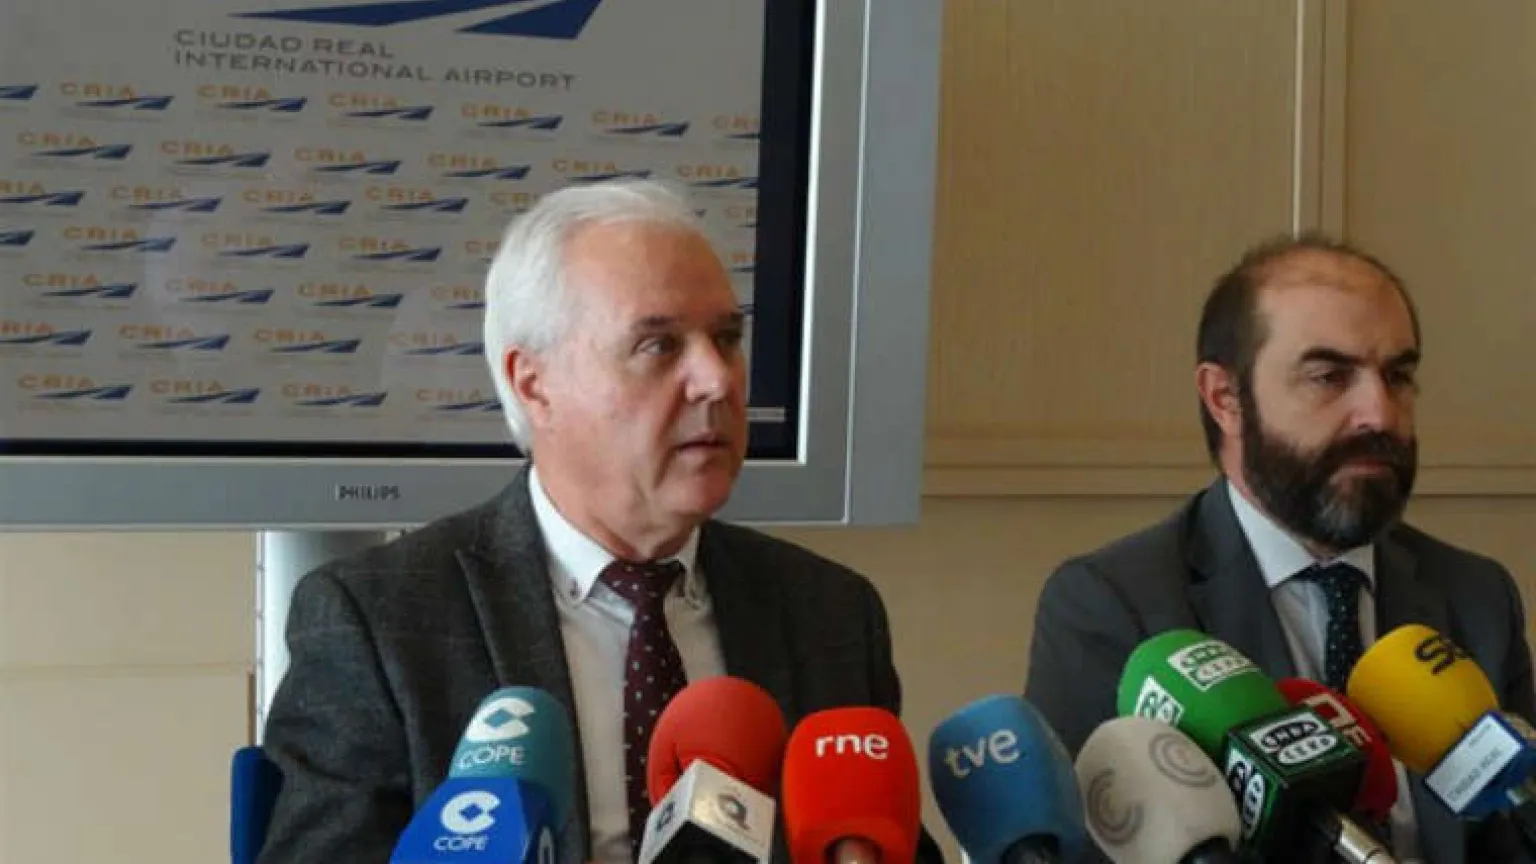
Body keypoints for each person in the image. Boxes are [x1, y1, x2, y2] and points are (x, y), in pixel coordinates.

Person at [258, 179, 943, 864]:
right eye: (659, 345)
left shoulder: (830, 613)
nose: (718, 379)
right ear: (534, 384)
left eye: (726, 337)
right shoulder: (379, 620)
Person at [1026, 234, 1535, 864]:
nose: (1379, 414)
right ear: (1225, 399)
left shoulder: (1476, 595)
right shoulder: (1112, 607)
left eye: (1398, 376)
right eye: (1329, 377)